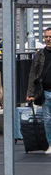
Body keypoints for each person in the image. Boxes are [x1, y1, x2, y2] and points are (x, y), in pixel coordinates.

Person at [26, 26, 51, 156]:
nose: (48, 39)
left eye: (50, 37)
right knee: (47, 120)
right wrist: (31, 93)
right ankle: (50, 144)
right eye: (46, 37)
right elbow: (32, 75)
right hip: (44, 92)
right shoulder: (39, 54)